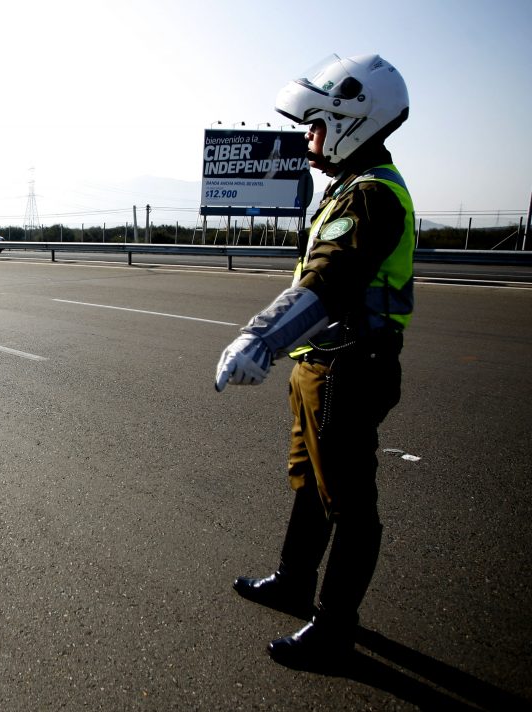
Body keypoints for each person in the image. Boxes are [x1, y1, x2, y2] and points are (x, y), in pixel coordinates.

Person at [214, 54, 414, 668]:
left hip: (351, 368)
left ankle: (334, 630)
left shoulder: (373, 196)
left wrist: (262, 338)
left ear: (355, 121)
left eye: (317, 124)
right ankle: (295, 581)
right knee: (309, 483)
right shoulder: (346, 190)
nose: (308, 136)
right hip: (321, 366)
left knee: (349, 505)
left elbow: (332, 281)